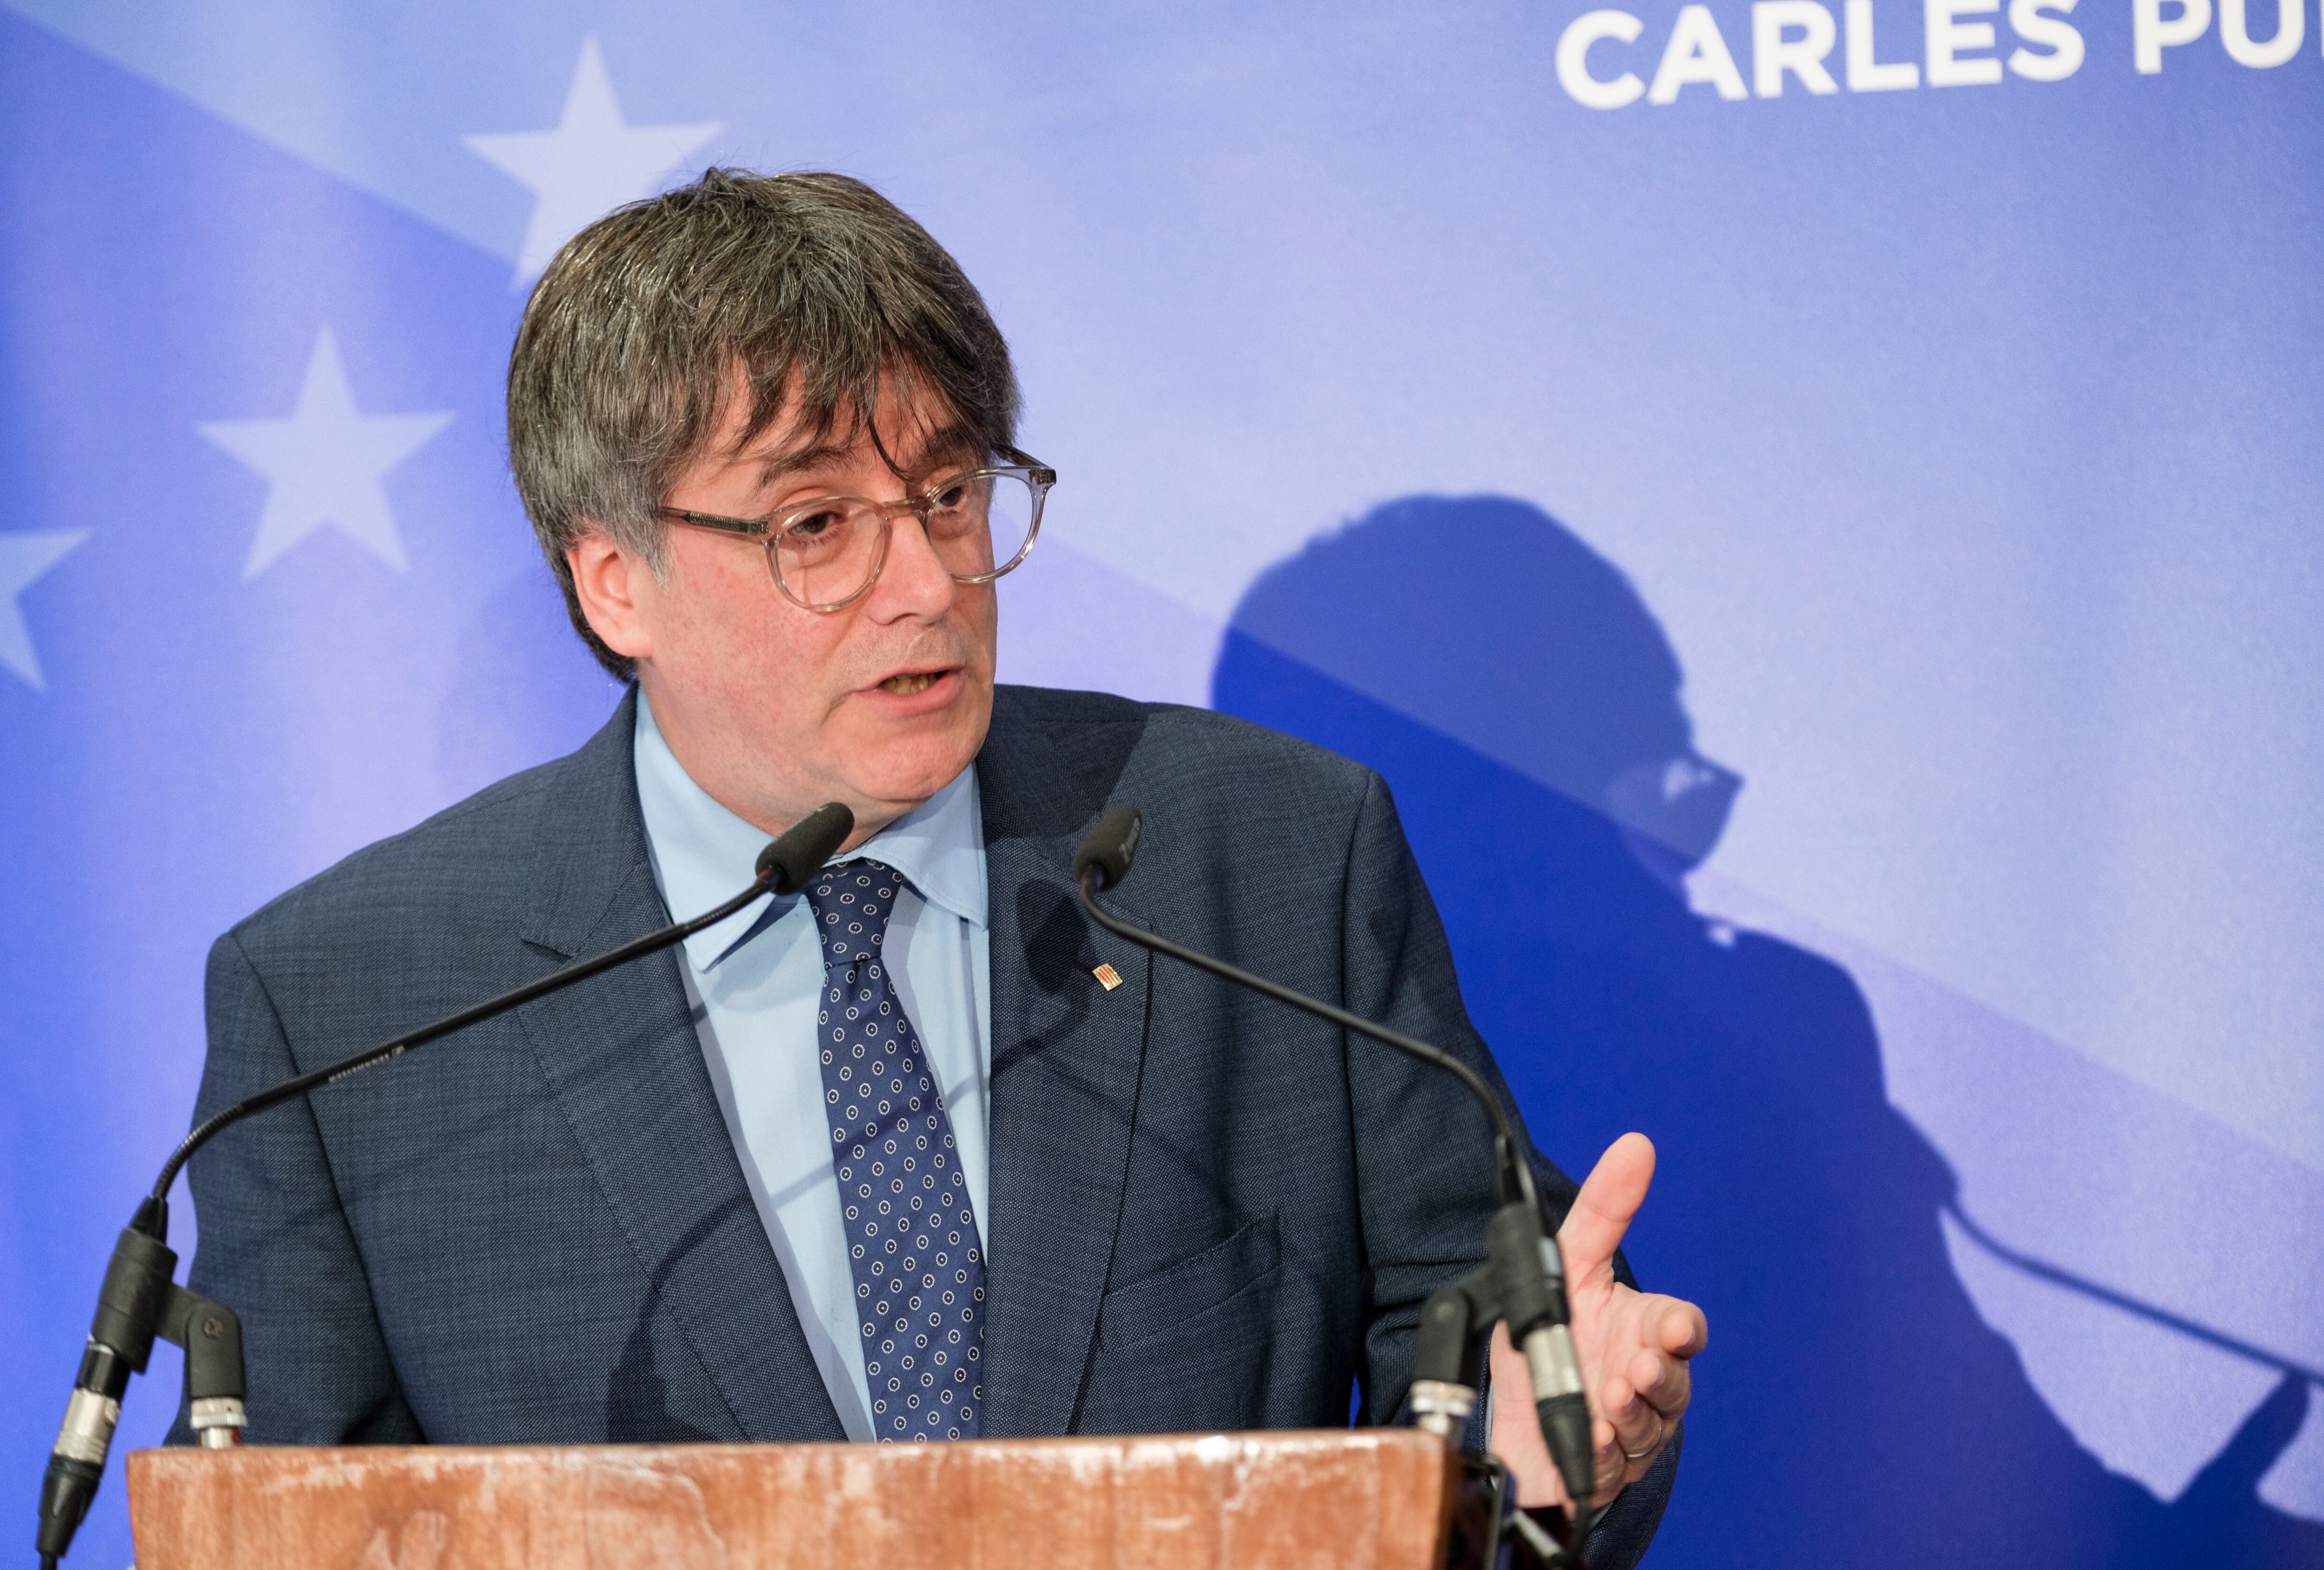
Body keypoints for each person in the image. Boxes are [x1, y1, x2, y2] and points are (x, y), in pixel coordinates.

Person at [183, 169, 1705, 1565]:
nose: (927, 583)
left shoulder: (1269, 856)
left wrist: (1544, 1458)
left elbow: (1500, 1396)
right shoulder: (347, 1010)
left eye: (951, 492)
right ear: (615, 579)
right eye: (817, 524)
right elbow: (303, 1527)